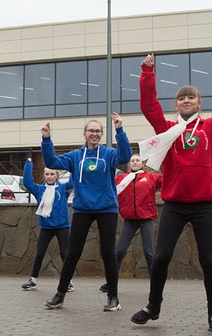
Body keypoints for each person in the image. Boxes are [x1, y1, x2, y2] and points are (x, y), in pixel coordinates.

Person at [130, 52, 212, 332]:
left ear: (199, 102)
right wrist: (147, 73)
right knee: (161, 256)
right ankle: (153, 306)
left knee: (208, 260)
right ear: (177, 104)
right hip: (174, 205)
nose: (186, 101)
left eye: (191, 97)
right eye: (181, 98)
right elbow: (149, 107)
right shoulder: (167, 130)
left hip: (205, 205)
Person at [41, 115, 131, 311]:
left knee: (108, 253)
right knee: (73, 253)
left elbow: (125, 157)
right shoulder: (75, 156)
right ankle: (60, 295)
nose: (95, 134)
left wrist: (120, 131)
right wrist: (47, 139)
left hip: (107, 208)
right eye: (91, 131)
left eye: (98, 131)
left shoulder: (109, 154)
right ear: (85, 134)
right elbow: (52, 161)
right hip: (82, 208)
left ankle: (113, 298)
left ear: (101, 134)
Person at [20, 158, 73, 291]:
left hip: (62, 226)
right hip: (46, 227)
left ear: (57, 175)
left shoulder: (64, 188)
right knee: (40, 253)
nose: (49, 177)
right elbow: (27, 182)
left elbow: (73, 182)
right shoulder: (39, 189)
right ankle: (33, 280)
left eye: (52, 174)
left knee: (65, 254)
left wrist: (73, 166)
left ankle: (68, 282)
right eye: (47, 174)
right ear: (44, 176)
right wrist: (28, 165)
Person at [110, 154, 161, 288]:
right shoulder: (121, 179)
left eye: (137, 160)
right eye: (132, 161)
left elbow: (167, 180)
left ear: (142, 164)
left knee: (149, 253)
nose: (135, 162)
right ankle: (110, 282)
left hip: (146, 219)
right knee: (119, 251)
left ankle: (155, 283)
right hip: (129, 220)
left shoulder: (151, 177)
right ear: (129, 164)